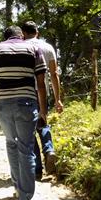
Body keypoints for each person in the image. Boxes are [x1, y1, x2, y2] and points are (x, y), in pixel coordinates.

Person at [0, 25, 47, 200]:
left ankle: (18, 188)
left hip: (2, 104)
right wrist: (43, 110)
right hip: (26, 102)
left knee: (11, 143)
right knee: (26, 149)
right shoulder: (34, 49)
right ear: (21, 36)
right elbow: (41, 83)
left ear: (5, 37)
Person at [21, 21, 64, 179]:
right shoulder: (48, 47)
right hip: (42, 91)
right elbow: (54, 74)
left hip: (26, 92)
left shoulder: (21, 48)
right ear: (37, 32)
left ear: (23, 33)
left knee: (29, 130)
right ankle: (49, 149)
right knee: (43, 122)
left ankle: (37, 169)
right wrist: (58, 99)